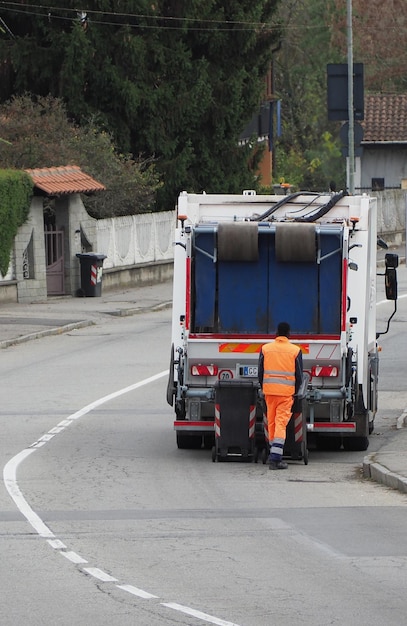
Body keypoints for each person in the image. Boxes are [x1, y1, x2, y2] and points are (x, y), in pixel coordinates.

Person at [258, 322, 303, 470]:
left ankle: (273, 453)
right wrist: (295, 391)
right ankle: (276, 459)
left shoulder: (266, 349)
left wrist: (264, 387)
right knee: (281, 423)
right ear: (289, 333)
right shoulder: (295, 351)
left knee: (271, 422)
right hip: (286, 393)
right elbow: (299, 375)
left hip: (269, 392)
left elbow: (260, 372)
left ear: (276, 332)